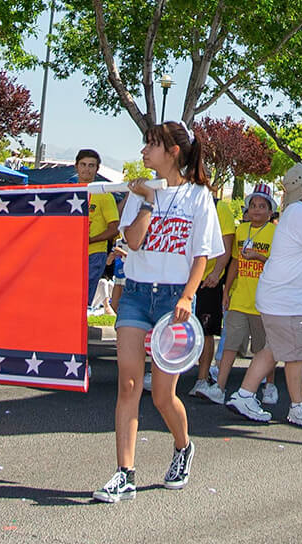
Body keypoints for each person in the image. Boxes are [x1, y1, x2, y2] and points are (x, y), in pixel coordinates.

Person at [94, 121, 224, 504]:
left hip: (173, 301)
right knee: (129, 385)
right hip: (135, 293)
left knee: (163, 395)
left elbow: (202, 256)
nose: (143, 152)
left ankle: (183, 447)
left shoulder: (199, 196)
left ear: (173, 151)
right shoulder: (140, 192)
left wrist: (187, 297)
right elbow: (132, 241)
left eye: (151, 145)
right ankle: (125, 473)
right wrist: (147, 200)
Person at [226, 163, 302, 428]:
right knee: (298, 353)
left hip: (277, 298)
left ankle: (244, 395)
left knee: (274, 349)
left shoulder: (293, 212)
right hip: (291, 301)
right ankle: (297, 406)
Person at [195, 184, 277, 405]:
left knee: (264, 347)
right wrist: (227, 290)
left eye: (262, 206)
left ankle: (269, 385)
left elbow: (279, 265)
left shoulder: (276, 233)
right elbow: (234, 262)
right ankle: (219, 387)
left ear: (271, 211)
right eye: (253, 206)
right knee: (230, 343)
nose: (257, 210)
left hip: (264, 300)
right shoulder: (241, 230)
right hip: (240, 296)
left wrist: (258, 257)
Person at [193, 190, 237, 390]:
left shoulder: (220, 207)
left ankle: (202, 379)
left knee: (205, 330)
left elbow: (226, 246)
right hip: (180, 278)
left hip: (207, 280)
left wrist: (217, 272)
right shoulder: (181, 202)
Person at [76, 148, 119, 307]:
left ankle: (81, 330)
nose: (86, 169)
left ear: (97, 169)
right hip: (71, 253)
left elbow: (114, 228)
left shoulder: (104, 195)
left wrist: (91, 240)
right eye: (83, 164)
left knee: (83, 297)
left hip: (94, 253)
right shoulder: (68, 192)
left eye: (91, 165)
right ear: (76, 166)